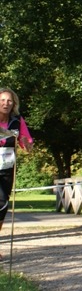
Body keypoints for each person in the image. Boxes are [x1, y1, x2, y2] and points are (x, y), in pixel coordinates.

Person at [0, 87, 33, 262]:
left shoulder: (17, 121)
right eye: (2, 100)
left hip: (7, 168)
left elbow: (27, 144)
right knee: (0, 202)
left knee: (3, 206)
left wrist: (27, 144)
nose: (5, 104)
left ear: (14, 104)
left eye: (9, 101)